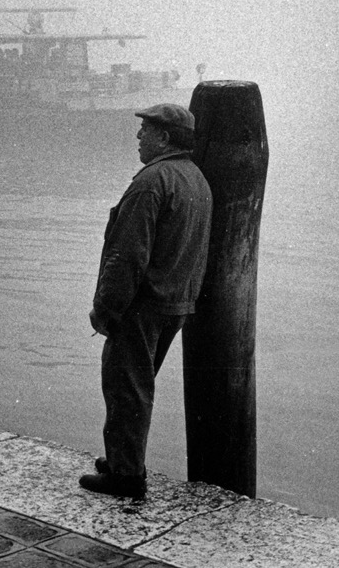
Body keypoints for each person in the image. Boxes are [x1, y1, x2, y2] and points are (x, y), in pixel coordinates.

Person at [81, 103, 212, 498]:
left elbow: (127, 255)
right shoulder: (196, 180)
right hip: (175, 303)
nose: (139, 136)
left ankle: (126, 475)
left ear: (165, 138)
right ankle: (123, 459)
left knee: (125, 388)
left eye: (146, 130)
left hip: (142, 306)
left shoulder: (152, 181)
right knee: (138, 385)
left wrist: (106, 308)